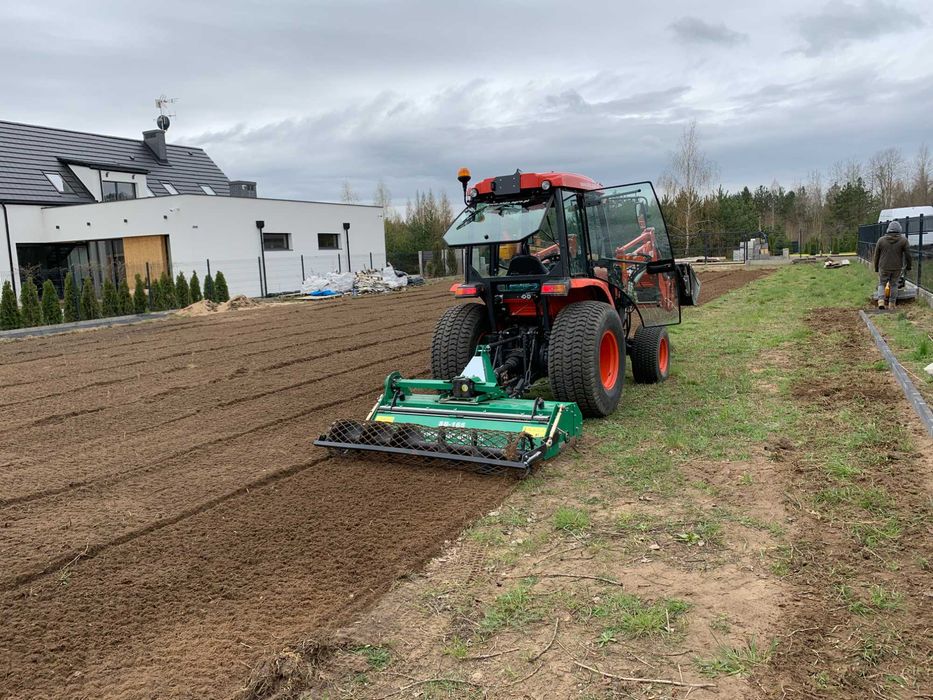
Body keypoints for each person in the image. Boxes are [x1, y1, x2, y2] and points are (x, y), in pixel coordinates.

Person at [872, 221, 912, 310]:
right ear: (899, 230)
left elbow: (876, 255)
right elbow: (908, 255)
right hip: (897, 267)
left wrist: (876, 267)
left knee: (881, 284)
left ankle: (881, 301)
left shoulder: (881, 240)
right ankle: (892, 304)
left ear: (888, 229)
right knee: (894, 285)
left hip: (883, 266)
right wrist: (909, 266)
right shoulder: (903, 240)